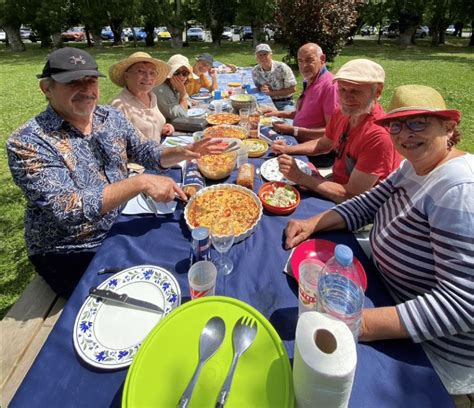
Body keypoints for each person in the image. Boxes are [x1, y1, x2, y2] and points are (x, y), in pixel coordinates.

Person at [285, 85, 473, 397]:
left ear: (449, 127)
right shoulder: (414, 165)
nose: (405, 135)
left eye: (419, 123)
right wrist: (313, 223)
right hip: (384, 287)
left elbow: (461, 306)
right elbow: (368, 203)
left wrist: (352, 323)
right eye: (396, 126)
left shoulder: (459, 191)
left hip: (430, 349)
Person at [6, 47, 224, 297]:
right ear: (47, 88)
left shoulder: (109, 116)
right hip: (72, 249)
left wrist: (186, 150)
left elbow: (146, 151)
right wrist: (140, 183)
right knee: (152, 293)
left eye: (90, 80)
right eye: (72, 82)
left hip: (122, 221)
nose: (86, 89)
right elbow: (68, 208)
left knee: (188, 255)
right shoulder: (28, 141)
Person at [274, 59, 401, 203]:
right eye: (342, 89)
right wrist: (288, 149)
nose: (346, 98)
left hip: (363, 206)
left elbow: (352, 195)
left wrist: (302, 178)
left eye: (355, 91)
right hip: (337, 183)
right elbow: (324, 144)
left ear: (377, 91)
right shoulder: (342, 112)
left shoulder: (379, 136)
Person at [264, 42, 338, 167]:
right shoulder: (311, 79)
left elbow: (331, 133)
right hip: (297, 138)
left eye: (309, 60)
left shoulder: (330, 86)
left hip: (318, 153)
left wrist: (294, 130)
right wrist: (278, 113)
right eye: (300, 61)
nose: (304, 66)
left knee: (268, 159)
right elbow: (304, 113)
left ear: (322, 59)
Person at [109, 51, 174, 142]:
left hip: (160, 151)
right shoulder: (118, 106)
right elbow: (117, 146)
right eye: (140, 71)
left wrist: (163, 129)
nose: (148, 77)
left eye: (152, 72)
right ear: (127, 76)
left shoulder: (152, 96)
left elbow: (148, 128)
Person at [251, 43, 296, 110]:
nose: (263, 57)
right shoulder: (255, 71)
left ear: (271, 55)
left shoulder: (282, 68)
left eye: (265, 54)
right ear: (257, 58)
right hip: (265, 102)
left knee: (288, 120)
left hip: (285, 103)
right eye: (260, 55)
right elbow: (258, 86)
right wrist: (262, 88)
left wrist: (272, 93)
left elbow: (293, 89)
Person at [153, 54, 197, 121]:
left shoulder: (175, 84)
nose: (181, 77)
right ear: (169, 73)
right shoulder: (162, 89)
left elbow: (188, 101)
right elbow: (182, 116)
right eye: (176, 72)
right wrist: (183, 94)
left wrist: (184, 99)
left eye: (185, 73)